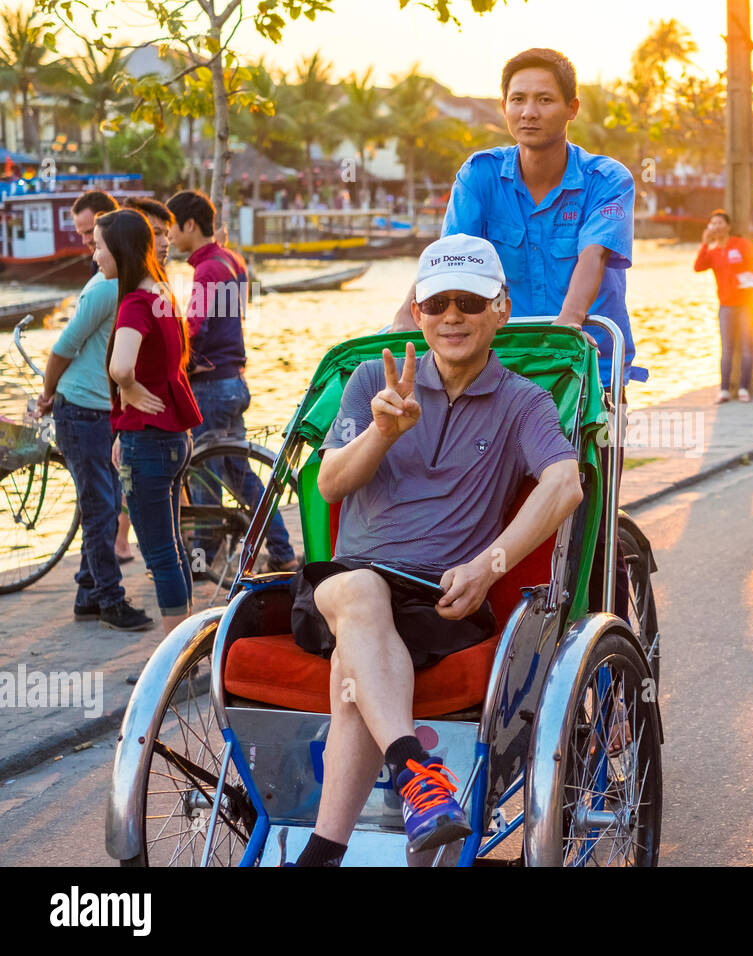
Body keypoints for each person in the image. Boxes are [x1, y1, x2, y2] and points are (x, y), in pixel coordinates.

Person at [288, 235, 583, 864]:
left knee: (353, 674)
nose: (453, 316)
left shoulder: (522, 401)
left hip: (440, 603)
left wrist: (489, 564)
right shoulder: (374, 377)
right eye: (438, 303)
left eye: (470, 302)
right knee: (360, 590)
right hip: (347, 582)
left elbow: (565, 483)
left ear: (500, 308)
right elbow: (331, 483)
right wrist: (382, 432)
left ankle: (325, 850)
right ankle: (415, 772)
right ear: (417, 312)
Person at [393, 49, 637, 394]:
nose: (529, 113)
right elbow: (449, 257)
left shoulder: (608, 180)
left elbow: (594, 255)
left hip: (586, 359)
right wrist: (407, 314)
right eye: (518, 99)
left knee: (584, 444)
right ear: (504, 106)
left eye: (545, 100)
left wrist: (568, 324)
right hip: (502, 362)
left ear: (572, 108)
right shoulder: (480, 175)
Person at [34, 191, 152, 631]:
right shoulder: (105, 288)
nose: (90, 250)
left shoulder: (128, 286)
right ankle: (109, 600)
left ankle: (88, 590)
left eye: (96, 242)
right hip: (80, 411)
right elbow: (62, 348)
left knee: (102, 503)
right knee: (102, 507)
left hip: (101, 411)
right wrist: (47, 395)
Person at [166, 189, 299, 575]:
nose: (170, 236)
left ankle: (202, 560)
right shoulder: (231, 259)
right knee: (242, 477)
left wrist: (168, 355)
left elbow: (196, 327)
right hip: (232, 381)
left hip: (211, 386)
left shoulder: (208, 268)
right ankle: (282, 552)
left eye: (172, 228)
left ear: (190, 225)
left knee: (204, 473)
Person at [99, 209, 203, 634]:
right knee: (173, 548)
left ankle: (177, 662)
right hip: (174, 438)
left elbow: (121, 365)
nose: (94, 256)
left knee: (159, 554)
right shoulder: (161, 292)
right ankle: (189, 647)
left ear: (119, 250)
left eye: (98, 247)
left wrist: (127, 389)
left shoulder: (136, 302)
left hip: (150, 443)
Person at [694, 209, 753, 403]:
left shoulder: (740, 244)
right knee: (726, 349)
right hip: (725, 306)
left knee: (747, 347)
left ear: (728, 226)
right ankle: (724, 389)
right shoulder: (713, 251)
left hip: (745, 304)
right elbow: (698, 267)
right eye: (712, 224)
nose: (716, 227)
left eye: (719, 223)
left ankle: (743, 388)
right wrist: (704, 244)